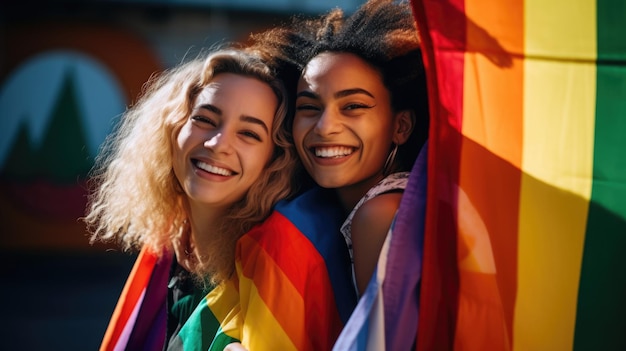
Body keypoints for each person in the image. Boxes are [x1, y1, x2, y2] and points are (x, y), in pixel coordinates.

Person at [182, 0, 429, 349]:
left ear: (400, 126)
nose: (326, 127)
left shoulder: (380, 213)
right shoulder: (364, 205)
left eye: (353, 107)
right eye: (309, 108)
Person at [84, 47, 300, 350]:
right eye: (205, 119)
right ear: (173, 129)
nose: (217, 143)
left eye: (249, 134)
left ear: (275, 160)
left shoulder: (273, 274)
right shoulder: (164, 250)